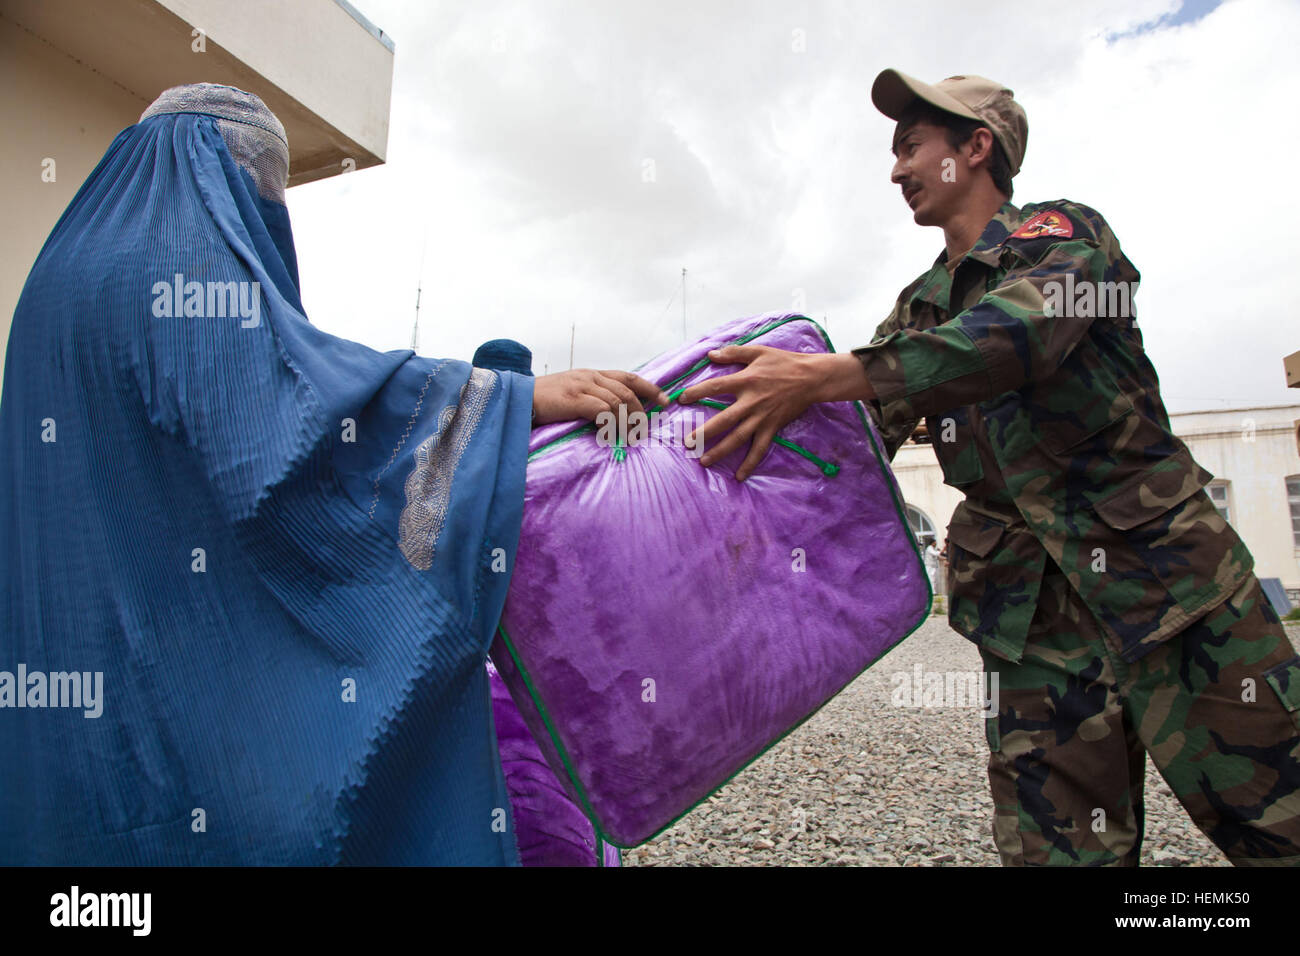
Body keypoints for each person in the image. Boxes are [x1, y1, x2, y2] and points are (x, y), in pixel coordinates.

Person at [0, 83, 664, 865]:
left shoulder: (60, 270)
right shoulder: (175, 265)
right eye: (260, 182)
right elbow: (295, 441)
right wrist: (502, 406)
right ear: (215, 173)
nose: (266, 207)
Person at [679, 70, 1300, 866]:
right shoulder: (917, 309)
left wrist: (832, 374)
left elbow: (1021, 335)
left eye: (911, 147)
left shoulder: (1068, 235)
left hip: (1176, 597)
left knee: (1280, 827)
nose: (896, 169)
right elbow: (849, 438)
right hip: (1033, 636)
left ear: (975, 148)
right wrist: (683, 455)